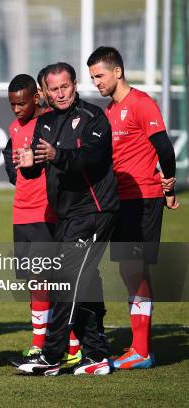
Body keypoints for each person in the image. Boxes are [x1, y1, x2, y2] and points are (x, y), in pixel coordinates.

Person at [12, 62, 119, 376]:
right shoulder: (44, 123)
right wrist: (27, 163)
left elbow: (93, 158)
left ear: (75, 85)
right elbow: (36, 166)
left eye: (65, 86)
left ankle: (51, 355)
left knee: (66, 282)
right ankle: (97, 355)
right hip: (67, 216)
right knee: (83, 283)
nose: (60, 94)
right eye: (54, 88)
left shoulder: (93, 118)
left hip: (95, 212)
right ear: (45, 90)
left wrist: (59, 155)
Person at [87, 46, 179, 369]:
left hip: (144, 198)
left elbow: (165, 149)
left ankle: (142, 351)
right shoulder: (109, 112)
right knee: (129, 270)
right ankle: (139, 347)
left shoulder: (141, 104)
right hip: (119, 200)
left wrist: (169, 183)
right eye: (92, 77)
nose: (96, 82)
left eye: (99, 75)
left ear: (117, 72)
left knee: (134, 269)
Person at [2, 74, 82, 367]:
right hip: (20, 212)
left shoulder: (51, 123)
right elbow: (15, 166)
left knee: (55, 281)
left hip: (46, 213)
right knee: (34, 283)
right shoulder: (14, 127)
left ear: (37, 97)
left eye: (21, 103)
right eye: (12, 104)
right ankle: (39, 344)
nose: (16, 110)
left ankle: (72, 345)